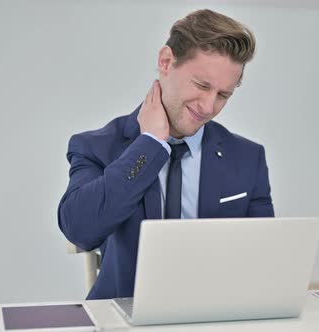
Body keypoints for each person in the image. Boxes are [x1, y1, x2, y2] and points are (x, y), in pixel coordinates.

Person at [58, 9, 274, 300]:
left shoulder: (248, 158)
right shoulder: (98, 147)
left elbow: (266, 260)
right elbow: (80, 230)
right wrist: (149, 145)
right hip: (125, 316)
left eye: (224, 95)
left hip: (218, 318)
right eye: (202, 85)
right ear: (166, 62)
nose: (209, 107)